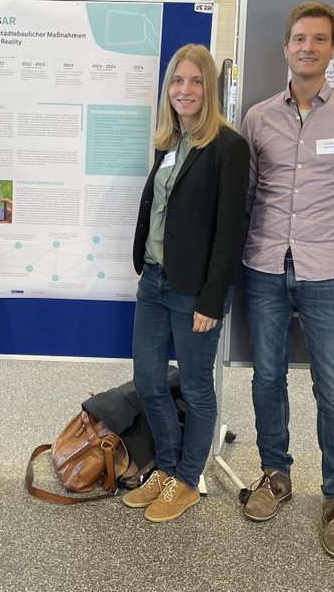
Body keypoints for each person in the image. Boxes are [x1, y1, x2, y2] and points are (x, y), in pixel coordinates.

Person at [238, 1, 334, 560]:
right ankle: (275, 474)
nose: (308, 47)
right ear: (286, 47)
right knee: (267, 379)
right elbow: (248, 195)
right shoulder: (257, 118)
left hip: (327, 272)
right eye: (300, 38)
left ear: (333, 49)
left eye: (320, 39)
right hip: (264, 266)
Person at [120, 43, 249, 522]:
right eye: (177, 81)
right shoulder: (169, 143)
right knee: (148, 381)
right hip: (154, 281)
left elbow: (230, 230)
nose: (185, 90)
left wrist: (212, 300)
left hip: (195, 290)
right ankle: (167, 468)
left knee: (195, 389)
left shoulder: (228, 146)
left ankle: (188, 479)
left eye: (196, 81)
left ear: (209, 88)